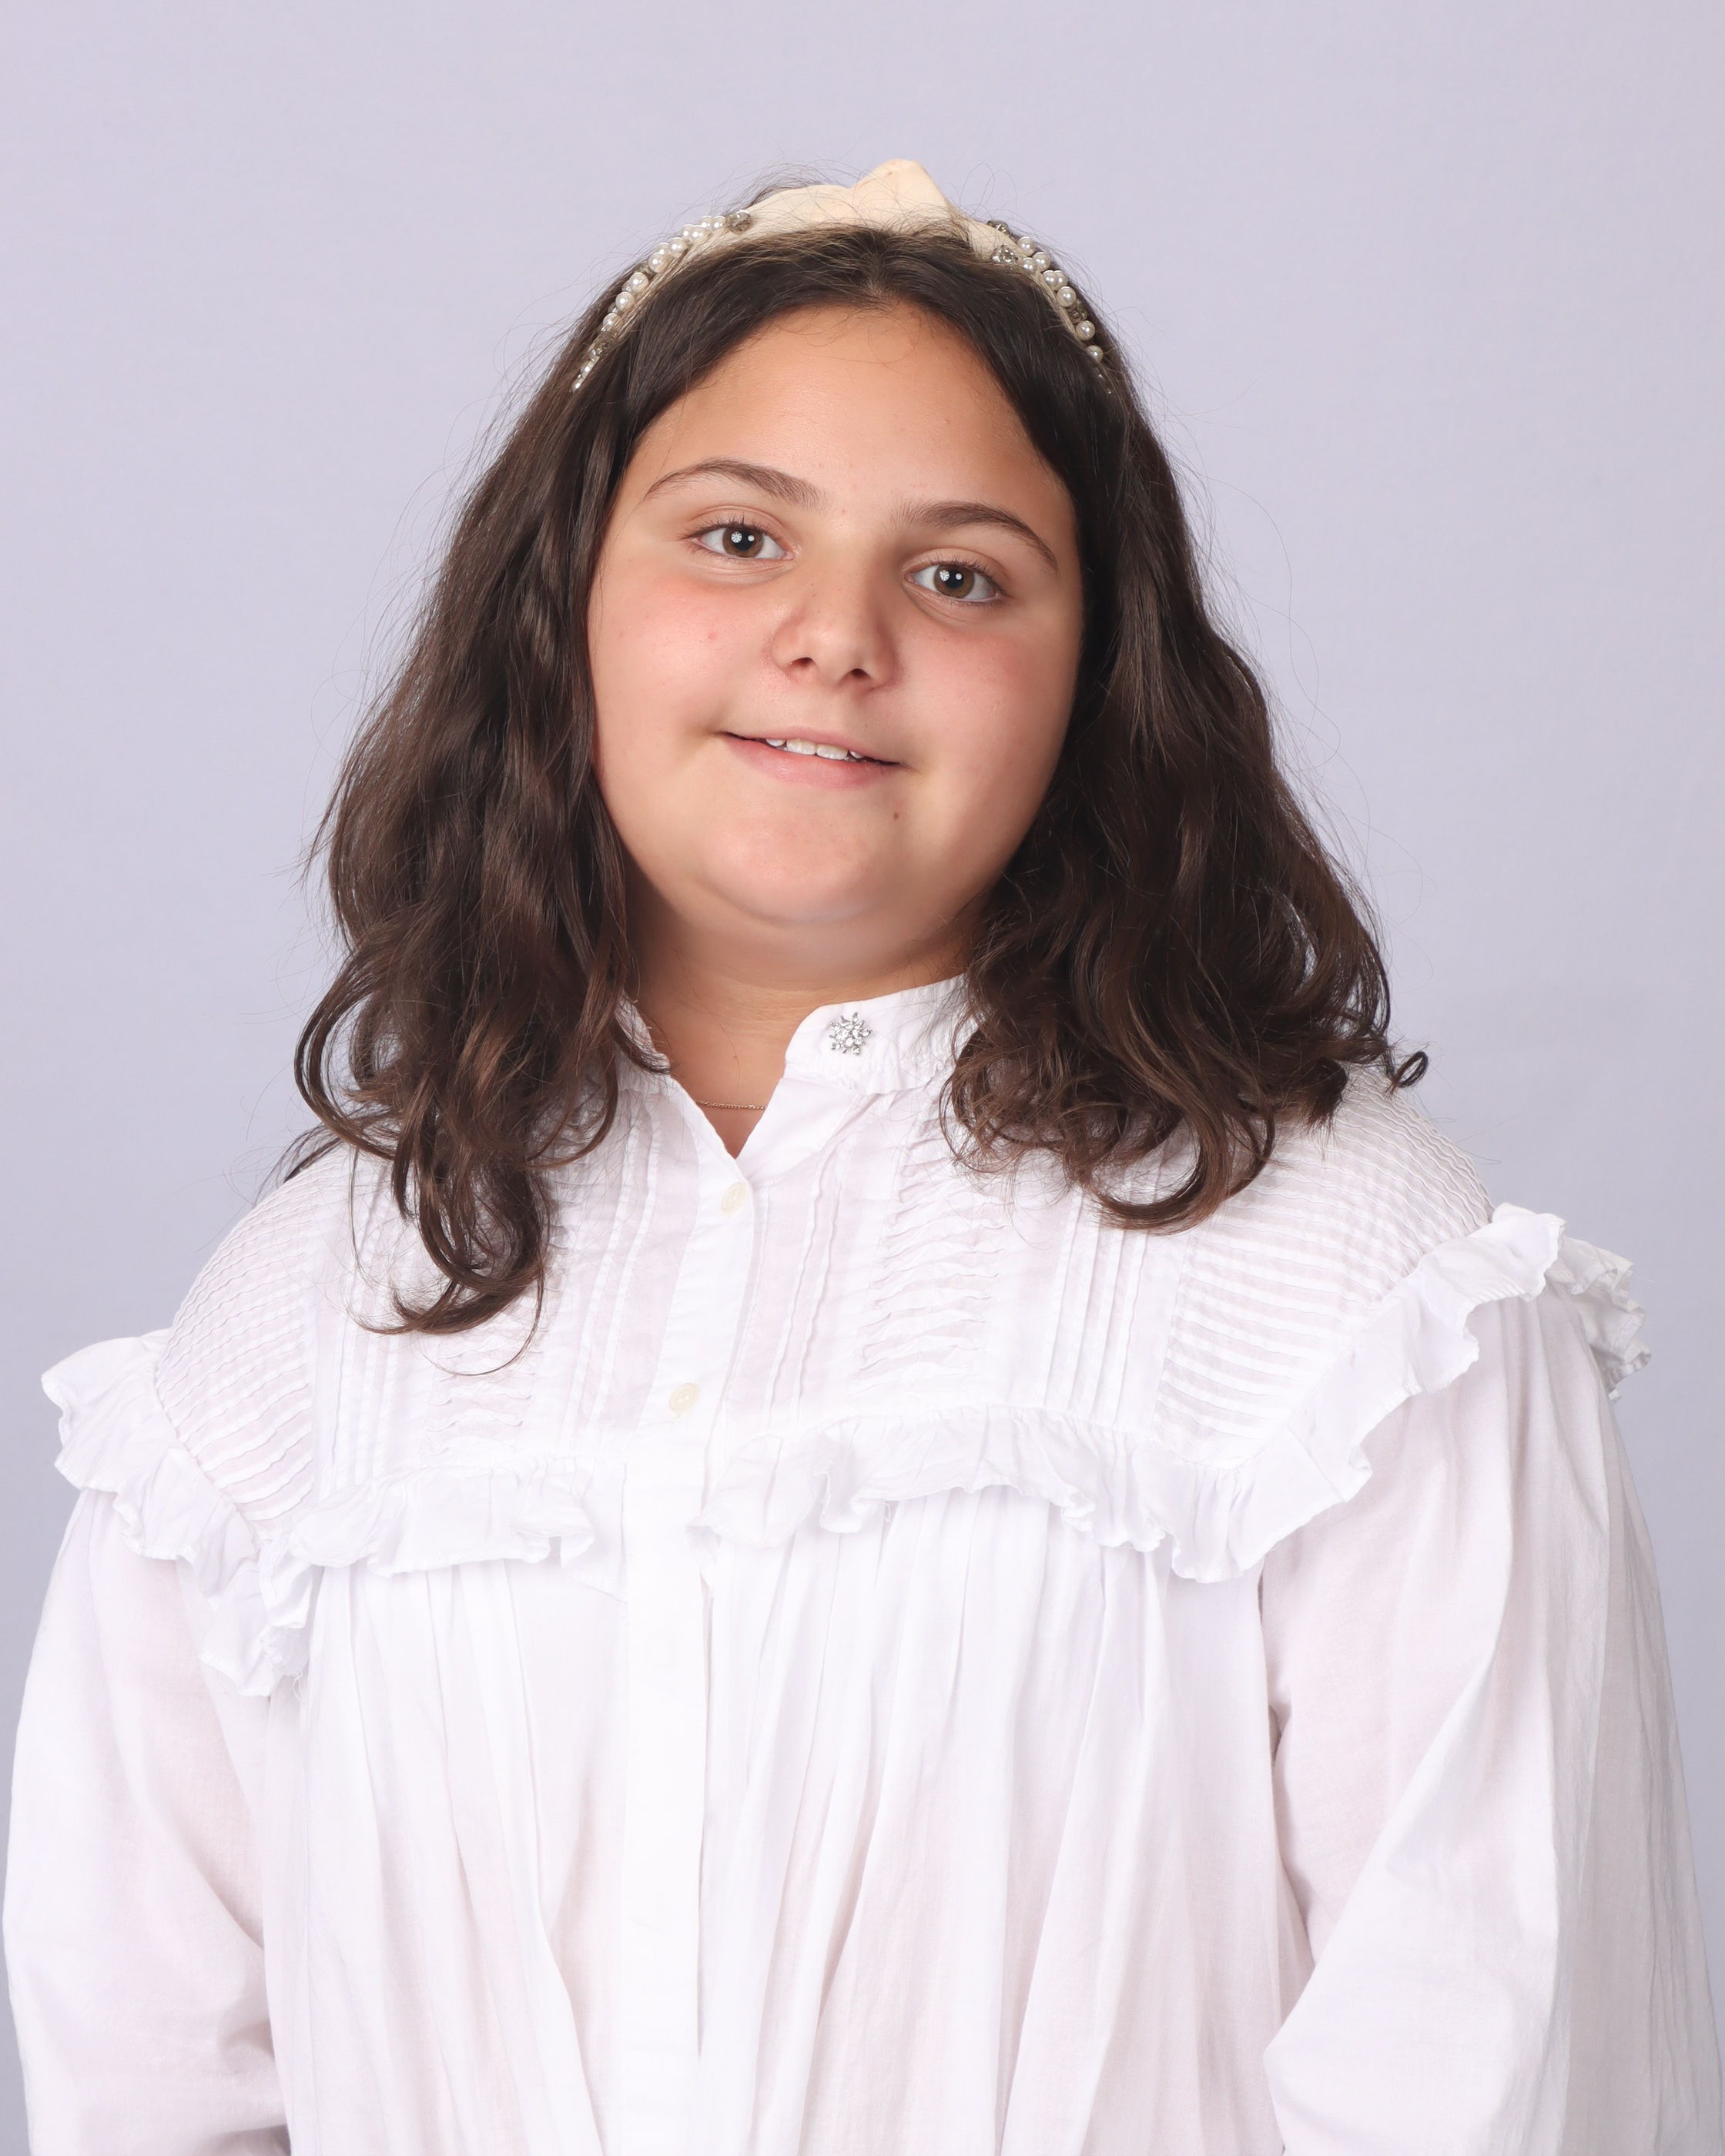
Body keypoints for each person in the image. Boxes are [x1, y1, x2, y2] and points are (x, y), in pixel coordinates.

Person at [5, 159, 1718, 2156]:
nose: (834, 637)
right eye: (738, 536)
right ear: (563, 602)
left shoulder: (1350, 1285)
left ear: (1098, 673)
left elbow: (1494, 2069)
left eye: (963, 574)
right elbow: (150, 2082)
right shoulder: (291, 1334)